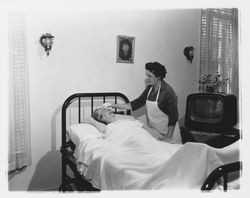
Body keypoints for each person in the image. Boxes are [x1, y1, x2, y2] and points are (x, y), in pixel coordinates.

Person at [110, 62, 182, 143]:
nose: (148, 78)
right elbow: (135, 104)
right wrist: (113, 105)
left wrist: (168, 137)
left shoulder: (168, 91)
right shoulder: (149, 89)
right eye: (147, 76)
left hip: (170, 132)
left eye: (150, 76)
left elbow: (173, 116)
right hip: (155, 130)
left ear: (158, 76)